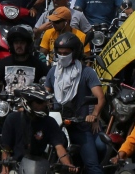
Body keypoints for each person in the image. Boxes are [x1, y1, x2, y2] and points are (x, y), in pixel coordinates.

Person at [44, 32, 105, 174]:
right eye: (59, 53)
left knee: (92, 167)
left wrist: (94, 115)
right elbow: (44, 94)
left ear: (75, 52)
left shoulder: (87, 72)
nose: (62, 56)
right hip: (57, 126)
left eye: (66, 53)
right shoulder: (53, 72)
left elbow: (100, 97)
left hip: (80, 126)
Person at [0, 85, 76, 174]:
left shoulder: (49, 122)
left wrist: (67, 164)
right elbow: (6, 148)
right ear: (27, 103)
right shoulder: (12, 119)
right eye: (40, 102)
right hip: (17, 166)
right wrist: (4, 169)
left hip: (42, 167)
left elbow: (59, 146)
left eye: (45, 101)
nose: (44, 104)